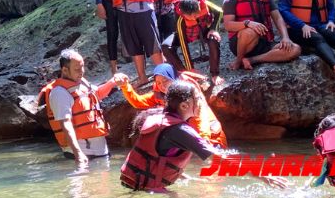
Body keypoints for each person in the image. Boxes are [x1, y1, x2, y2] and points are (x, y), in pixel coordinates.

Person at [120, 81, 285, 192]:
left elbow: (155, 153)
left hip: (134, 183)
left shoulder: (157, 117)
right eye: (198, 99)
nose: (201, 103)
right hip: (148, 190)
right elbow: (219, 157)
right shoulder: (181, 131)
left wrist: (182, 175)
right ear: (185, 105)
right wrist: (261, 174)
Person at [37, 49, 127, 169]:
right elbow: (66, 125)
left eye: (82, 67)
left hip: (99, 152)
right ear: (64, 70)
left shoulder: (82, 83)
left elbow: (98, 94)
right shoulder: (59, 92)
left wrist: (112, 82)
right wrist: (78, 154)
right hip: (82, 155)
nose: (82, 72)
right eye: (77, 69)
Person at [119, 63, 227, 147]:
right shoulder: (161, 95)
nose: (162, 85)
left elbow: (200, 118)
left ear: (174, 78)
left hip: (212, 139)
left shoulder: (189, 94)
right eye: (159, 83)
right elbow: (138, 102)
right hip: (193, 140)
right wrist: (125, 86)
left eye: (165, 80)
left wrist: (203, 141)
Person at [222, 0, 299, 70]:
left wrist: (285, 37)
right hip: (243, 44)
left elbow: (277, 17)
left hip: (265, 42)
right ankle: (239, 61)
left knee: (295, 49)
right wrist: (248, 23)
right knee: (250, 32)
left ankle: (252, 60)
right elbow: (228, 25)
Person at [173, 0, 224, 85]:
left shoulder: (204, 3)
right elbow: (183, 44)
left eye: (196, 15)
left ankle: (215, 74)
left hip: (204, 30)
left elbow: (220, 12)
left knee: (213, 40)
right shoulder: (180, 18)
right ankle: (185, 73)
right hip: (188, 34)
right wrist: (190, 69)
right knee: (166, 47)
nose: (194, 18)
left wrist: (213, 29)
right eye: (190, 17)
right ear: (184, 14)